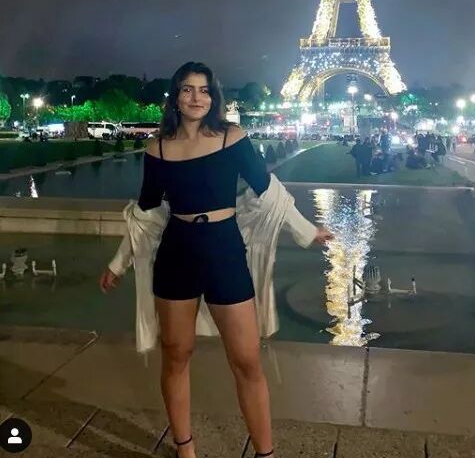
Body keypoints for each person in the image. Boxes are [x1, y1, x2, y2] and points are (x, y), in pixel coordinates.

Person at [99, 62, 333, 458]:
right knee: (176, 356)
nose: (196, 97)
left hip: (224, 251)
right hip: (177, 254)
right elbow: (146, 213)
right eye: (187, 89)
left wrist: (307, 231)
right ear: (176, 96)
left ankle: (265, 453)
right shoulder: (157, 148)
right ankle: (185, 448)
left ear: (213, 97)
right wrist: (118, 263)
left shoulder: (232, 138)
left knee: (247, 361)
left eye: (204, 90)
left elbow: (268, 189)